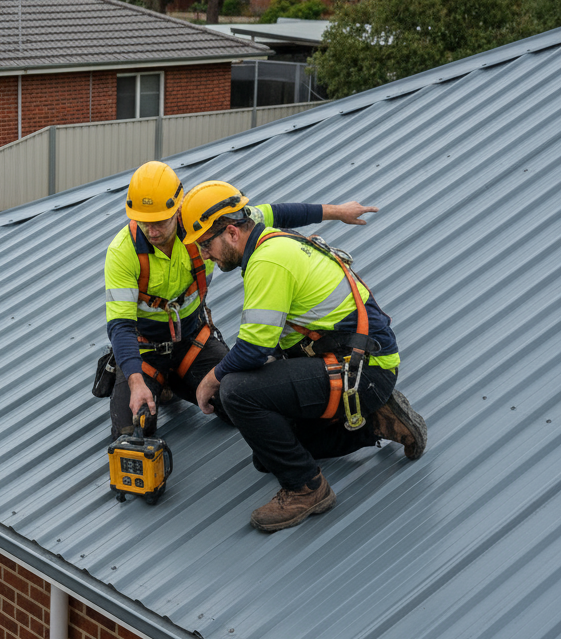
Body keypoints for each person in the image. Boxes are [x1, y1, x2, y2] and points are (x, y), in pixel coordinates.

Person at [180, 180, 427, 533]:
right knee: (269, 454)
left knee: (234, 391)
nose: (204, 254)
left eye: (205, 244)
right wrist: (336, 211)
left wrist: (209, 380)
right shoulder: (256, 226)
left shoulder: (268, 262)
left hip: (363, 369)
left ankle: (307, 489)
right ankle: (377, 422)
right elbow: (284, 211)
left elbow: (253, 350)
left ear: (232, 232)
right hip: (357, 360)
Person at [104, 161, 381, 439]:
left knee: (239, 402)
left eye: (160, 222)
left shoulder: (207, 224)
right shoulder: (123, 253)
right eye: (144, 222)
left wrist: (338, 212)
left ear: (178, 208)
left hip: (192, 343)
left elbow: (277, 213)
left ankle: (172, 381)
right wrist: (136, 380)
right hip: (145, 352)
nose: (152, 231)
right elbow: (121, 326)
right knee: (132, 434)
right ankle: (156, 380)